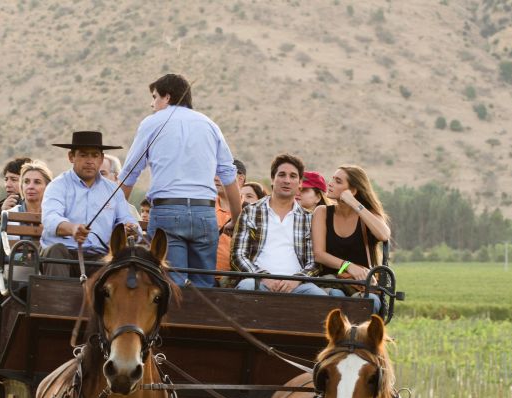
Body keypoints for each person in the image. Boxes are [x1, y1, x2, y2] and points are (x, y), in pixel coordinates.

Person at [118, 73, 242, 287]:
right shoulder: (210, 125)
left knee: (171, 285)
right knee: (203, 287)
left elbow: (130, 172)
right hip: (205, 213)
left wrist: (117, 214)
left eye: (155, 97)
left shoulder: (153, 123)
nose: (152, 103)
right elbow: (228, 174)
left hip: (168, 212)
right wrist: (236, 217)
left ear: (167, 97)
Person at [41, 130, 139, 277]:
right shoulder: (58, 186)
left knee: (119, 263)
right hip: (64, 255)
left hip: (100, 258)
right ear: (71, 157)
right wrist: (72, 228)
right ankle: (58, 299)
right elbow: (50, 219)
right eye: (83, 155)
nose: (89, 161)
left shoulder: (113, 190)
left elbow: (127, 219)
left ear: (101, 159)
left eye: (95, 155)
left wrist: (131, 228)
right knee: (56, 250)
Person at [230, 153, 325, 295]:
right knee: (246, 287)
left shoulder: (309, 219)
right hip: (257, 281)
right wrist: (262, 277)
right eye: (282, 175)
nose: (287, 180)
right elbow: (238, 255)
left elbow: (315, 262)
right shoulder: (251, 211)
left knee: (320, 297)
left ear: (300, 184)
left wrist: (296, 280)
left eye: (293, 176)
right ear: (273, 179)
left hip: (298, 285)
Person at [311, 165, 391, 313]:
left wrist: (354, 203)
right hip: (332, 280)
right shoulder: (322, 212)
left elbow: (384, 235)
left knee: (370, 302)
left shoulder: (367, 216)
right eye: (332, 179)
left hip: (361, 284)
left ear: (352, 191)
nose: (330, 183)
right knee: (336, 295)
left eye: (338, 181)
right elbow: (319, 254)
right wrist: (348, 266)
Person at [0, 160, 53, 256]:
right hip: (18, 267)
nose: (30, 186)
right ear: (22, 186)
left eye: (37, 182)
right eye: (26, 182)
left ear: (48, 187)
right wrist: (24, 257)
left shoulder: (55, 215)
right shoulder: (11, 215)